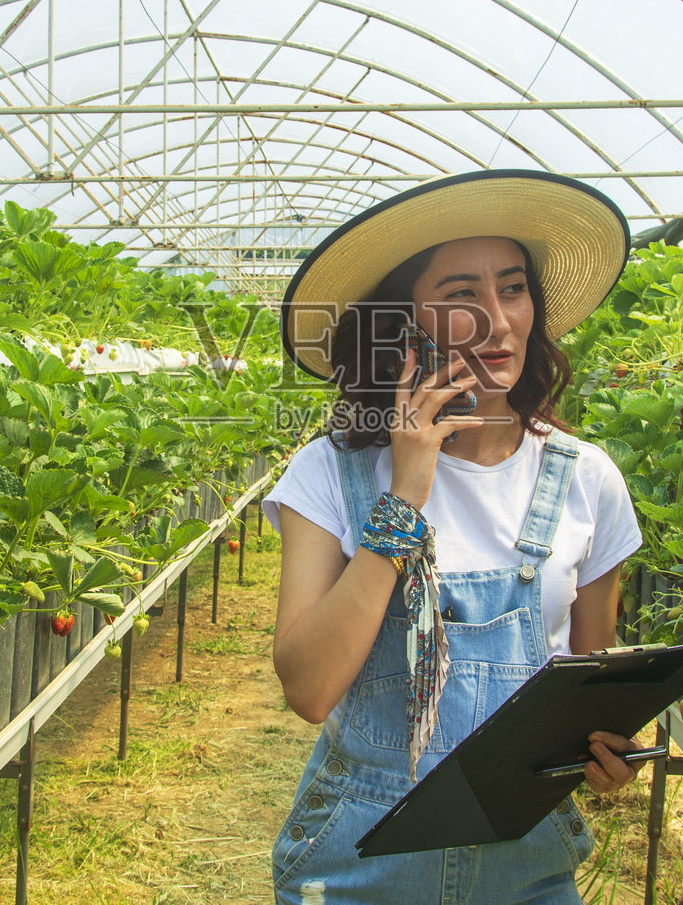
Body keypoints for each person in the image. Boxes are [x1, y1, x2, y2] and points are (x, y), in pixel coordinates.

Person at [261, 170, 646, 903]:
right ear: (403, 321)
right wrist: (405, 494)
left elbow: (590, 691)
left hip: (528, 869)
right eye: (461, 293)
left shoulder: (586, 479)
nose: (498, 321)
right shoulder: (329, 473)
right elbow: (308, 688)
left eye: (513, 288)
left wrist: (607, 751)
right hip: (358, 872)